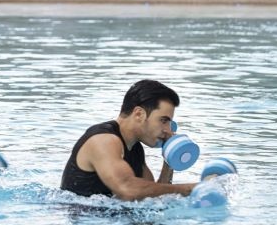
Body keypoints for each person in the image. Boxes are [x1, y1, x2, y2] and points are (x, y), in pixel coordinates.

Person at [61, 79, 197, 200]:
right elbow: (128, 189)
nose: (169, 130)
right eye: (163, 120)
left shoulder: (135, 148)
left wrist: (169, 158)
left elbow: (153, 198)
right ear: (139, 114)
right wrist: (192, 189)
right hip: (82, 217)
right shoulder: (103, 140)